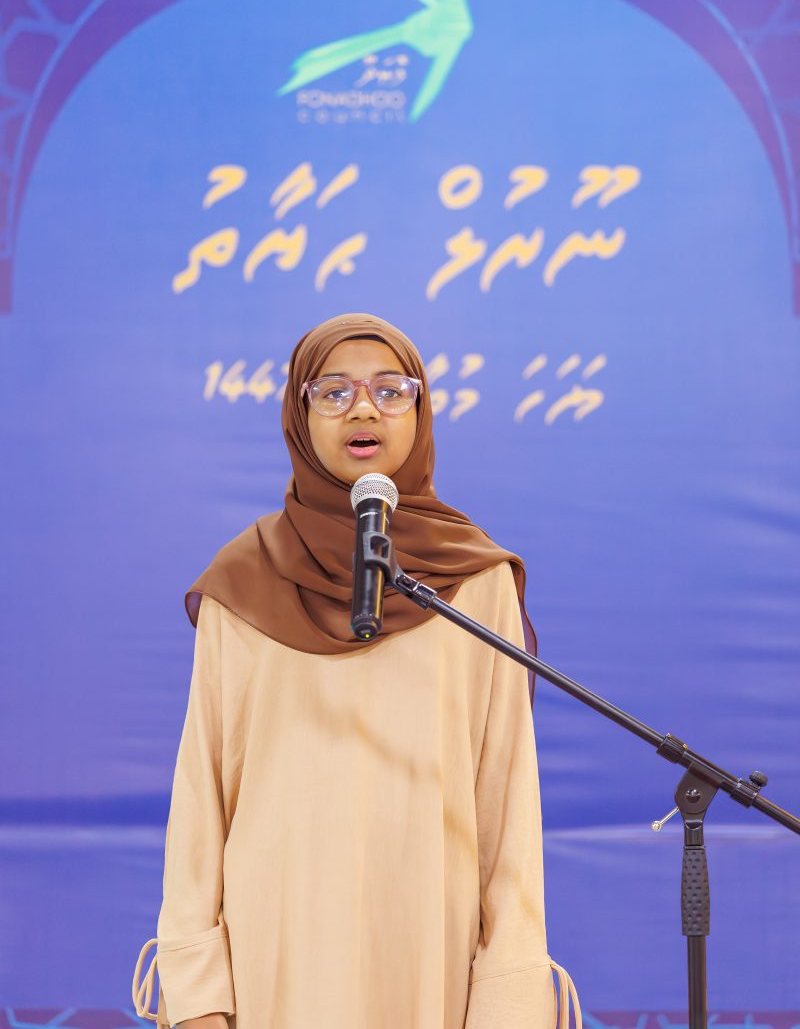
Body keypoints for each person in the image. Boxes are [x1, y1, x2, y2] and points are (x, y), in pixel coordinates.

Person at [132, 312, 581, 1029]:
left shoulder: (476, 582)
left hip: (428, 940)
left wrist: (509, 991)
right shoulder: (243, 580)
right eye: (333, 391)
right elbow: (202, 794)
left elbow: (505, 795)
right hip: (273, 944)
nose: (363, 409)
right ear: (299, 415)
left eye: (390, 391)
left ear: (420, 413)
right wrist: (198, 994)